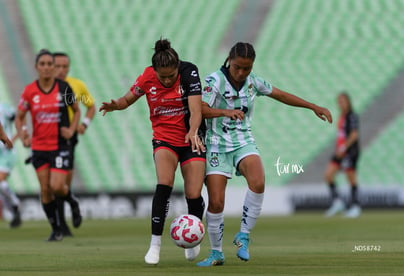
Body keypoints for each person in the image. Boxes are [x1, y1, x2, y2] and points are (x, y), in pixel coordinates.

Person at [197, 42, 332, 266]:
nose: (241, 73)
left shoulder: (253, 82)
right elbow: (199, 108)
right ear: (229, 60)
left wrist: (313, 106)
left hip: (242, 141)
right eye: (238, 67)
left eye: (247, 68)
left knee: (258, 182)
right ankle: (216, 253)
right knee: (217, 202)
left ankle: (243, 236)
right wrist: (224, 112)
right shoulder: (215, 81)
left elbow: (281, 95)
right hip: (216, 144)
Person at [99, 39, 206, 265]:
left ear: (178, 67)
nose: (167, 80)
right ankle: (155, 245)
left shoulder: (189, 73)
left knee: (194, 193)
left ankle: (193, 238)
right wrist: (115, 105)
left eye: (171, 76)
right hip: (164, 139)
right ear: (154, 71)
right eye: (162, 76)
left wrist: (194, 131)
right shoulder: (147, 77)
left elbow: (196, 110)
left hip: (191, 138)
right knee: (164, 183)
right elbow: (128, 99)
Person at [15, 49, 81, 241]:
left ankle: (72, 201)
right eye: (42, 64)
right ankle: (56, 229)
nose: (46, 67)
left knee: (57, 187)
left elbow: (76, 111)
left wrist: (71, 129)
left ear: (53, 67)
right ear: (36, 67)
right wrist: (24, 134)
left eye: (49, 64)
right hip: (39, 147)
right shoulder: (29, 91)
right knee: (45, 189)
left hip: (59, 146)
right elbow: (20, 118)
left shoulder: (63, 88)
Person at [53, 52, 95, 235]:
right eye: (58, 66)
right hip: (47, 138)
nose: (62, 70)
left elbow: (90, 106)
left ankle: (63, 223)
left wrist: (83, 124)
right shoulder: (44, 88)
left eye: (65, 66)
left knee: (63, 182)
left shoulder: (75, 86)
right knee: (51, 183)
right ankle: (62, 219)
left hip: (67, 138)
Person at [324, 92, 360, 218]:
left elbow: (354, 135)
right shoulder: (342, 116)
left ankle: (355, 206)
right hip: (340, 151)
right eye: (339, 102)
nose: (341, 104)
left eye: (343, 101)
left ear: (348, 102)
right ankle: (337, 202)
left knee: (351, 177)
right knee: (328, 175)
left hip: (349, 151)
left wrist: (344, 147)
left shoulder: (352, 116)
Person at [0, 103, 21, 228]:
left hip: (6, 151)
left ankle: (15, 204)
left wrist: (14, 137)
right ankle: (14, 211)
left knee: (0, 181)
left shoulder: (5, 108)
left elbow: (19, 119)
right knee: (1, 186)